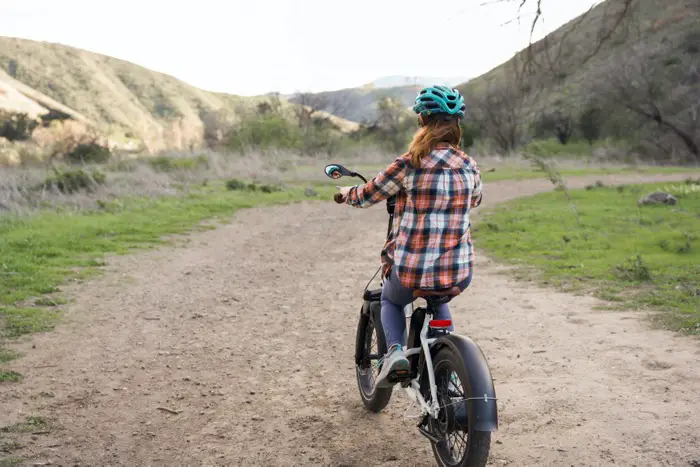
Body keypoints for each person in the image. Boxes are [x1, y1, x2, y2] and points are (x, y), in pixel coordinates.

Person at [336, 85, 483, 388]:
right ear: (456, 126)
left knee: (391, 301)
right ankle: (448, 369)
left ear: (422, 121)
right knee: (438, 296)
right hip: (458, 272)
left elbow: (366, 195)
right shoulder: (469, 165)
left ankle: (395, 354)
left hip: (411, 272)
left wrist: (344, 193)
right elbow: (475, 200)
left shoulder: (409, 164)